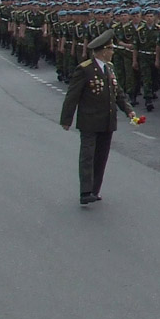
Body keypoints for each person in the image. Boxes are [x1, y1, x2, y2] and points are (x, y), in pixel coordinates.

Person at [59, 30, 135, 205]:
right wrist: (66, 119)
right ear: (103, 51)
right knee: (87, 155)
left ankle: (95, 189)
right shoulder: (85, 69)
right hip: (89, 120)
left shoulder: (110, 68)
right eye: (111, 49)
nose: (113, 52)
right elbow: (72, 96)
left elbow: (118, 93)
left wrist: (128, 110)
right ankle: (85, 191)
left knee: (101, 156)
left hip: (107, 120)